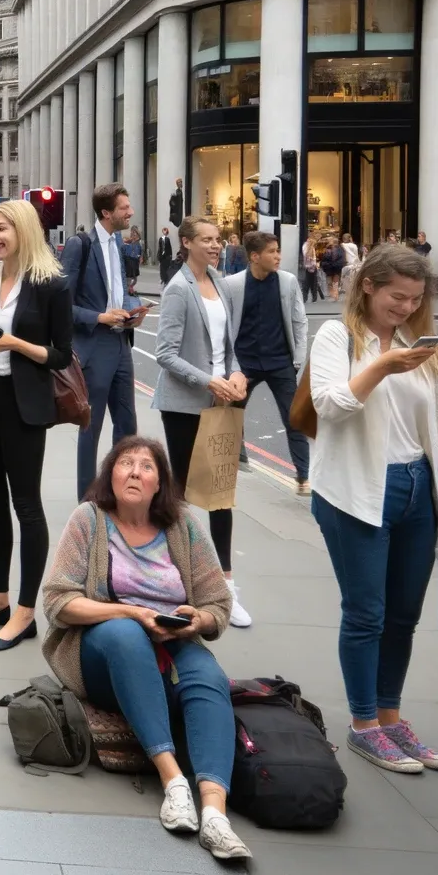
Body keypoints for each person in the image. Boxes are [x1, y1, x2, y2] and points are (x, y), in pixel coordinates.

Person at [39, 436, 248, 861]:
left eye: (146, 466)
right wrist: (131, 613)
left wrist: (196, 620)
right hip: (104, 651)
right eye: (125, 463)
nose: (135, 471)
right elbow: (58, 600)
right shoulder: (89, 520)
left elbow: (217, 605)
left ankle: (215, 814)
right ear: (110, 476)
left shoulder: (183, 527)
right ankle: (173, 783)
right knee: (125, 635)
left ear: (159, 484)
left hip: (171, 640)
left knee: (208, 677)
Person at [307, 244, 438, 775]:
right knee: (366, 613)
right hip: (355, 491)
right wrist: (382, 366)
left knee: (403, 616)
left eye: (416, 299)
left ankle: (391, 717)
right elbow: (331, 405)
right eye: (397, 296)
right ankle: (363, 726)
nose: (405, 307)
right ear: (369, 286)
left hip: (416, 489)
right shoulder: (337, 337)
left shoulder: (420, 347)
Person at [0, 200, 73, 652]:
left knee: (26, 505)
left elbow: (61, 354)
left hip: (24, 406)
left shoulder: (52, 285)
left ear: (23, 230)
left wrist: (14, 342)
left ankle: (24, 613)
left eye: (2, 228)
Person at [154, 218, 251, 628]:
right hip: (184, 405)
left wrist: (237, 373)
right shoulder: (178, 289)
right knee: (183, 497)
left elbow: (229, 347)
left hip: (221, 402)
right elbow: (165, 354)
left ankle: (226, 587)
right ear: (187, 243)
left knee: (222, 494)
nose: (216, 246)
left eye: (218, 240)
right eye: (207, 241)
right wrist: (208, 379)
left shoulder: (223, 284)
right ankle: (173, 579)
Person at [61, 182, 143, 499]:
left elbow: (118, 293)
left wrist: (134, 310)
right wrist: (99, 317)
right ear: (107, 213)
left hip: (121, 344)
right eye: (124, 208)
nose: (130, 212)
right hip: (94, 347)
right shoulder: (80, 245)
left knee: (128, 425)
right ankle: (87, 499)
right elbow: (62, 306)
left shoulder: (117, 244)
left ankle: (121, 491)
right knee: (90, 428)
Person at [225, 230, 310, 495]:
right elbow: (226, 328)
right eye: (272, 252)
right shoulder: (234, 285)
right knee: (230, 414)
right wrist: (233, 366)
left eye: (278, 250)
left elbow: (299, 320)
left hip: (280, 362)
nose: (278, 256)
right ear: (254, 256)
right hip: (245, 364)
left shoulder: (287, 282)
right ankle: (237, 459)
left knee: (294, 418)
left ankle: (304, 477)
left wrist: (298, 360)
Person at [121, 227, 144, 292]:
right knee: (129, 277)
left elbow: (141, 250)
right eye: (132, 232)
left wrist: (141, 258)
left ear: (137, 234)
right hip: (129, 260)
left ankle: (130, 287)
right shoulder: (130, 241)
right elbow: (123, 246)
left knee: (135, 279)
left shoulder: (139, 241)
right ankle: (127, 289)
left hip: (135, 261)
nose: (133, 234)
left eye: (134, 233)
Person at [300, 236, 322, 303]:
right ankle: (314, 298)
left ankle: (304, 298)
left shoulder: (304, 247)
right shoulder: (311, 249)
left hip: (306, 268)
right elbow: (313, 260)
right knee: (313, 284)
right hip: (312, 267)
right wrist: (316, 265)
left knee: (306, 284)